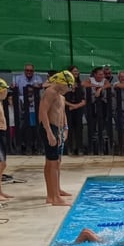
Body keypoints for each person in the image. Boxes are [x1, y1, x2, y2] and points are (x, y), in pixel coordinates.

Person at [41, 70, 75, 206]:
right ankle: (53, 197)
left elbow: (62, 113)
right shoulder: (50, 92)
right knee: (52, 163)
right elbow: (42, 112)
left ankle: (55, 192)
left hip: (58, 129)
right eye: (69, 86)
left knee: (56, 162)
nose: (70, 89)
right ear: (63, 83)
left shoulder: (60, 96)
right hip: (51, 128)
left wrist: (65, 129)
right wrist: (49, 132)